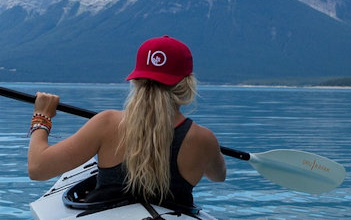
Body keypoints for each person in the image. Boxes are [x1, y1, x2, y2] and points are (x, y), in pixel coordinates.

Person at [28, 35, 226, 207]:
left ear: (136, 80)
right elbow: (218, 176)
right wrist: (209, 151)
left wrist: (42, 117)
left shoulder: (107, 123)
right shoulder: (204, 139)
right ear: (187, 85)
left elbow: (38, 169)